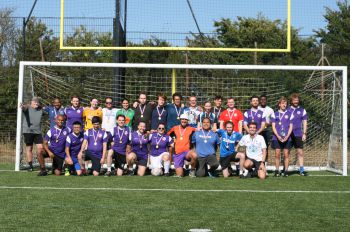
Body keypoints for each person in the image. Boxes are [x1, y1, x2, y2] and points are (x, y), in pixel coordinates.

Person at [20, 97, 45, 173]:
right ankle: (30, 166)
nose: (36, 103)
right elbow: (24, 107)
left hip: (37, 132)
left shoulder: (41, 109)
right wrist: (23, 106)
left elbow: (47, 109)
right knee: (29, 148)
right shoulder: (27, 108)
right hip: (28, 131)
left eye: (37, 102)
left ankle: (42, 165)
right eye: (35, 102)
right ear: (31, 102)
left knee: (40, 148)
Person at [271, 97, 294, 177]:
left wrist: (287, 136)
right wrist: (278, 136)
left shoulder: (290, 114)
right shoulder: (274, 114)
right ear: (279, 104)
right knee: (277, 154)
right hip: (277, 137)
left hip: (287, 138)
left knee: (286, 154)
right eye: (283, 103)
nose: (285, 105)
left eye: (285, 103)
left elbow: (291, 126)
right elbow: (273, 126)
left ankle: (286, 171)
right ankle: (277, 170)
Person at [288, 93, 308, 176]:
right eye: (294, 100)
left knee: (300, 152)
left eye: (297, 100)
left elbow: (305, 122)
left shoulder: (302, 110)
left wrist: (304, 133)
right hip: (288, 135)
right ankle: (285, 169)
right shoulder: (287, 110)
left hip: (298, 134)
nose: (296, 101)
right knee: (286, 152)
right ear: (291, 101)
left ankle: (301, 170)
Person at [258, 94, 274, 168]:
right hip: (258, 130)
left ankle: (265, 166)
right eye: (261, 99)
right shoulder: (256, 108)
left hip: (267, 130)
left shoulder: (270, 109)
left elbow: (273, 121)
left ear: (266, 101)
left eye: (264, 99)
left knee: (265, 147)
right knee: (257, 147)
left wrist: (268, 123)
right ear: (259, 101)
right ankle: (256, 165)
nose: (263, 101)